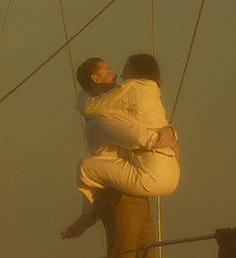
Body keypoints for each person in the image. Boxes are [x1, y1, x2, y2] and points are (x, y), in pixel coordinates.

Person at [60, 53, 179, 238]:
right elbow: (150, 121)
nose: (119, 75)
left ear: (136, 71)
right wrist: (171, 135)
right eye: (109, 70)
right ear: (95, 78)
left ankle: (88, 215)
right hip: (171, 172)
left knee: (85, 167)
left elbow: (89, 107)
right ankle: (89, 215)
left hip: (151, 175)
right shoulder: (150, 89)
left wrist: (162, 139)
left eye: (125, 69)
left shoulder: (131, 88)